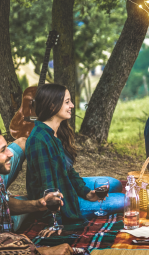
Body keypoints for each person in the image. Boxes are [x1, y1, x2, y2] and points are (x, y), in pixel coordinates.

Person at [26, 84, 124, 223]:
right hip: (63, 199)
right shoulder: (39, 141)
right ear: (52, 106)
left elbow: (68, 171)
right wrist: (55, 221)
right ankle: (81, 205)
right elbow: (48, 187)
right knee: (125, 200)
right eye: (67, 102)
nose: (72, 105)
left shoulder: (57, 131)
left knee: (115, 184)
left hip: (65, 183)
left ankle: (86, 196)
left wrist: (86, 193)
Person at [0, 125, 73, 255]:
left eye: (7, 147)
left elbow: (4, 203)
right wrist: (40, 252)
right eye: (3, 150)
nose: (10, 153)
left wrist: (38, 204)